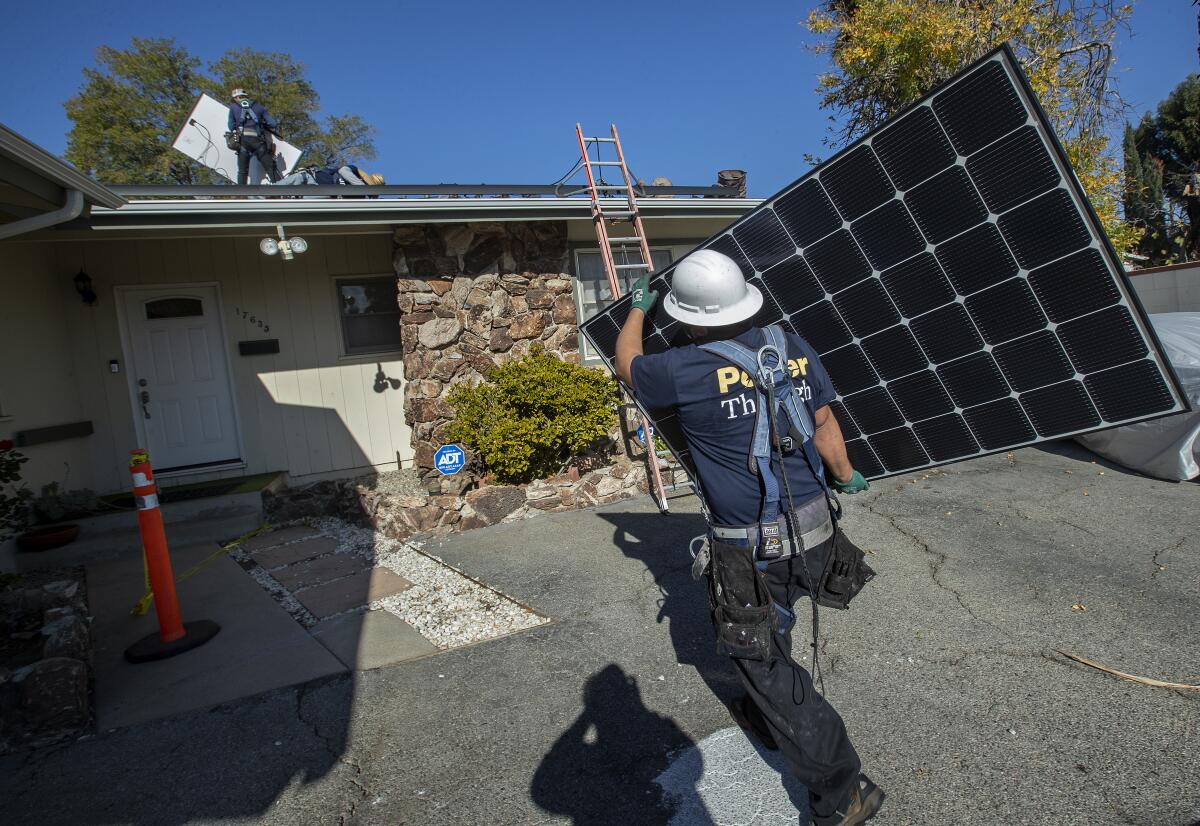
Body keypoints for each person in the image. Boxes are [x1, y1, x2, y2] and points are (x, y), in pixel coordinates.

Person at [614, 249, 883, 826]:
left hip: (750, 549)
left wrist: (638, 309)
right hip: (817, 531)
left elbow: (628, 363)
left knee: (760, 660)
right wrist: (844, 473)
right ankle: (766, 717)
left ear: (688, 317)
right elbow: (825, 421)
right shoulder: (788, 346)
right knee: (774, 625)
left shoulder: (681, 368)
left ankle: (843, 791)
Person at [227, 88, 281, 185]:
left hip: (243, 142)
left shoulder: (233, 107)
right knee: (270, 168)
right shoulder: (259, 107)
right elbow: (273, 123)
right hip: (258, 142)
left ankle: (242, 196)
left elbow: (231, 126)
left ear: (237, 97)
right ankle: (283, 194)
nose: (234, 100)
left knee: (243, 171)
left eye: (235, 98)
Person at [270, 164, 385, 187]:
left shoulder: (361, 197)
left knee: (301, 200)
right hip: (311, 177)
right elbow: (343, 171)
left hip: (320, 193)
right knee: (299, 177)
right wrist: (361, 187)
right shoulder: (354, 170)